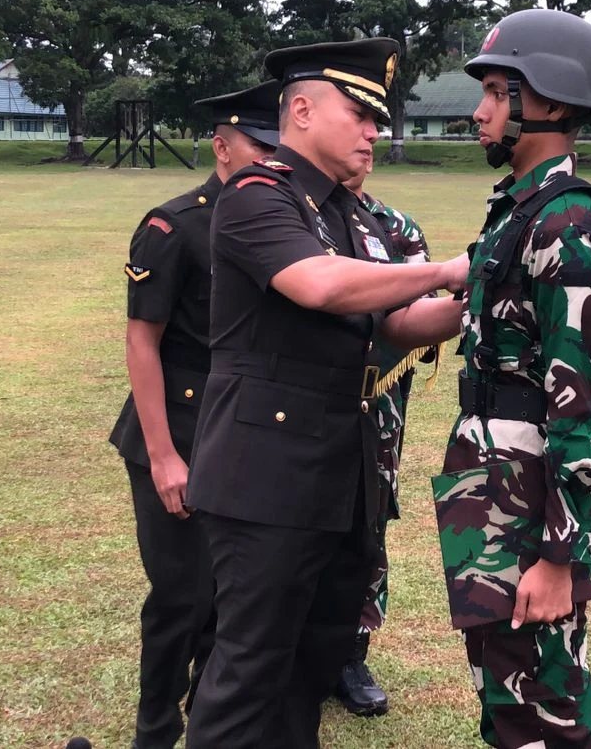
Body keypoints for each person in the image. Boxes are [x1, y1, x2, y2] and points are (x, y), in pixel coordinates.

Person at [184, 37, 466, 749]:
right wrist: (444, 269)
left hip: (338, 479)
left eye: (380, 117)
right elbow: (320, 284)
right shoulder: (258, 195)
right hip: (265, 482)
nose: (377, 130)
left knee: (312, 665)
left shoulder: (356, 215)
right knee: (249, 670)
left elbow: (398, 323)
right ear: (302, 111)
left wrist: (487, 285)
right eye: (361, 113)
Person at [441, 8, 591, 749]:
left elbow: (577, 409)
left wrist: (559, 555)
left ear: (547, 102)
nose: (479, 111)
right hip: (489, 467)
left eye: (494, 91)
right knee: (500, 676)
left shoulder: (568, 227)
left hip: (529, 482)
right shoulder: (518, 213)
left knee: (546, 694)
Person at [106, 80, 280, 749]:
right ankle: (154, 732)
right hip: (177, 429)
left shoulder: (278, 225)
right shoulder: (175, 225)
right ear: (222, 146)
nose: (268, 160)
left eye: (276, 148)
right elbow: (141, 341)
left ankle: (212, 726)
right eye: (256, 147)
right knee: (181, 596)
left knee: (228, 602)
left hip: (244, 434)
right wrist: (162, 456)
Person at [333, 155, 433, 717]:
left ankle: (350, 651)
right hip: (289, 410)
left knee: (366, 526)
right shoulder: (289, 216)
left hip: (375, 410)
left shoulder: (396, 229)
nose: (365, 146)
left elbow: (416, 316)